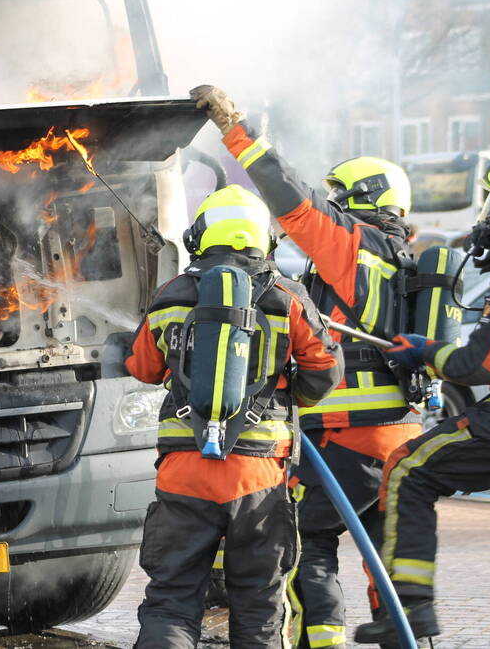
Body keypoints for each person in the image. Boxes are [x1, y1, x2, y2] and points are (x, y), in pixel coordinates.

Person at [191, 85, 427, 649]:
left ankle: (321, 644)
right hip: (404, 436)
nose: (334, 208)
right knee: (385, 557)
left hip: (347, 434)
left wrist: (235, 129)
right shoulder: (409, 262)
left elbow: (289, 196)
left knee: (308, 546)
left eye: (341, 198)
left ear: (363, 199)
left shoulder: (352, 247)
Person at [128, 184, 343, 649]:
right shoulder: (287, 296)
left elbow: (143, 368)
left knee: (170, 601)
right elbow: (326, 370)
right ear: (264, 237)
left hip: (184, 474)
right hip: (259, 477)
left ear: (199, 236)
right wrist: (291, 394)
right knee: (260, 605)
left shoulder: (172, 295)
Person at [353, 154, 490, 643]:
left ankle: (407, 609)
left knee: (409, 468)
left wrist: (425, 351)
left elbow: (479, 365)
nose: (487, 217)